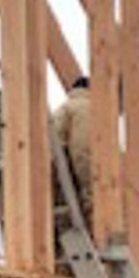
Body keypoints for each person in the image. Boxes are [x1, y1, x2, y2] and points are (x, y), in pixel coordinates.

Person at [51, 76, 93, 223]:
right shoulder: (87, 109)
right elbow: (83, 153)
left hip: (55, 188)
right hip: (71, 188)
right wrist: (90, 197)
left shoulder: (65, 107)